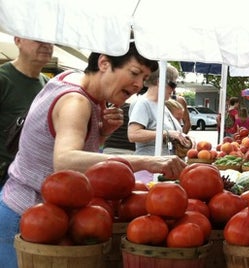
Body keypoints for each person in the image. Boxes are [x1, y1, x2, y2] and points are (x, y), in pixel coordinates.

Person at [0, 43, 187, 265]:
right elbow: (65, 161)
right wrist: (147, 161)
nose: (138, 85)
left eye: (144, 78)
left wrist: (101, 134)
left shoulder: (73, 79)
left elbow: (57, 140)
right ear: (104, 63)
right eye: (134, 73)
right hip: (27, 217)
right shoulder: (76, 102)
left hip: (38, 213)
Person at [0, 37, 53, 180]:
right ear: (18, 41)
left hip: (31, 178)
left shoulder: (50, 86)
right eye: (37, 38)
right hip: (5, 176)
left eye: (50, 39)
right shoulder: (3, 79)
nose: (46, 44)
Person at [128, 65, 190, 157]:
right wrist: (167, 134)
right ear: (159, 82)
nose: (174, 89)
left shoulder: (161, 105)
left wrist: (185, 138)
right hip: (150, 165)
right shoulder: (143, 103)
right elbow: (133, 134)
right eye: (173, 85)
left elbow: (174, 133)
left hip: (162, 164)